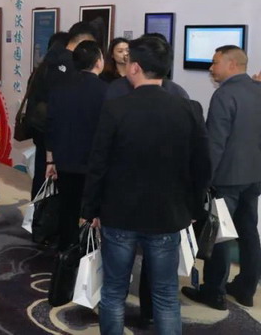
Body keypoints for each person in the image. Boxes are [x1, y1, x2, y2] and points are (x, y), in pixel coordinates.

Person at [81, 36, 211, 335]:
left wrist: (90, 209)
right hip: (168, 214)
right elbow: (202, 166)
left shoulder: (116, 109)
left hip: (119, 213)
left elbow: (98, 165)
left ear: (135, 67)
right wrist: (194, 208)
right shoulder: (189, 108)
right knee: (166, 296)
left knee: (113, 291)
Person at [183, 46, 261, 310]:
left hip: (226, 178)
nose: (211, 68)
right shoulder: (258, 90)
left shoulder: (224, 95)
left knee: (219, 235)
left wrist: (204, 180)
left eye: (215, 62)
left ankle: (214, 292)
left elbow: (215, 144)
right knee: (249, 232)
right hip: (254, 175)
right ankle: (246, 289)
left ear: (231, 65)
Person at [45, 40, 108, 251]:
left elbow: (51, 126)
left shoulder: (59, 89)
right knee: (92, 212)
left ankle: (66, 253)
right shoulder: (106, 91)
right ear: (98, 62)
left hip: (65, 160)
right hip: (94, 164)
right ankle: (89, 253)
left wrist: (50, 160)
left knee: (67, 209)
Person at [25, 22, 96, 198]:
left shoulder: (48, 61)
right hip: (59, 134)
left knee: (42, 178)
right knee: (59, 185)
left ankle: (38, 212)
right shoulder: (71, 66)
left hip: (42, 128)